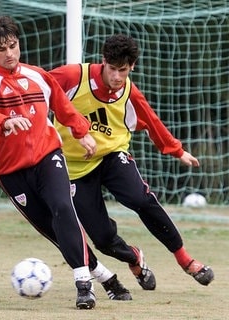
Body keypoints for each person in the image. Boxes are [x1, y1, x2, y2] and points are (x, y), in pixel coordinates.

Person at [0, 16, 136, 309]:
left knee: (62, 208)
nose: (9, 53)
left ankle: (84, 285)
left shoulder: (37, 76)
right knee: (54, 230)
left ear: (18, 44)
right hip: (10, 172)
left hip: (48, 157)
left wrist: (82, 132)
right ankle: (106, 277)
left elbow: (63, 106)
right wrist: (4, 122)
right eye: (1, 48)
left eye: (13, 46)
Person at [50, 34, 214, 290]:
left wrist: (176, 150)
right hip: (75, 169)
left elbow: (151, 121)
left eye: (123, 70)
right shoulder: (73, 77)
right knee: (103, 239)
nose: (117, 77)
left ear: (132, 66)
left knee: (141, 199)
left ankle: (185, 260)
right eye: (112, 69)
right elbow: (36, 87)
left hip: (113, 156)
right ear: (103, 62)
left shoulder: (129, 92)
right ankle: (134, 258)